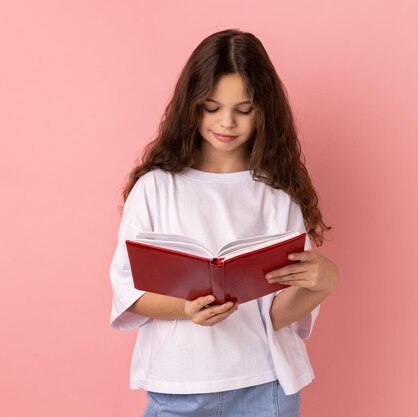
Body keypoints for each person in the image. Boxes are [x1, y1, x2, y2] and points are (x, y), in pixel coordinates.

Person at [109, 28, 340, 417]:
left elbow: (278, 315)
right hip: (180, 385)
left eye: (244, 109)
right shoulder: (156, 188)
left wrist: (324, 284)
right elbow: (128, 292)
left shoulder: (277, 194)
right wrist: (187, 309)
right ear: (191, 106)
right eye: (211, 107)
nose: (227, 123)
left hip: (265, 386)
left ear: (264, 110)